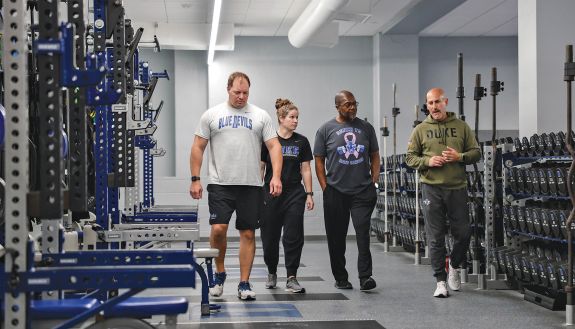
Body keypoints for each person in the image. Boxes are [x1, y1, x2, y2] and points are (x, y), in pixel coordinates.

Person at [190, 72, 283, 300]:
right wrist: (195, 179)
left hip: (251, 185)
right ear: (228, 89)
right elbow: (198, 147)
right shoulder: (212, 115)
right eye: (237, 92)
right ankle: (219, 273)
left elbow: (274, 146)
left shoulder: (260, 115)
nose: (241, 96)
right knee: (218, 229)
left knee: (248, 233)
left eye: (245, 93)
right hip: (221, 184)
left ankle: (244, 283)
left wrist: (276, 176)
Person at [405, 87, 480, 298]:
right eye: (430, 103)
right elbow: (410, 158)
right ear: (426, 105)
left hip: (457, 188)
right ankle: (439, 281)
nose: (434, 107)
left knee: (464, 234)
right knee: (435, 238)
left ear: (445, 102)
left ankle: (454, 267)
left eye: (437, 102)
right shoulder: (420, 129)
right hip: (432, 188)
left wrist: (460, 157)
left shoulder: (461, 127)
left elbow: (476, 153)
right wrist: (427, 161)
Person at [314, 90, 380, 291]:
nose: (352, 107)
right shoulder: (325, 129)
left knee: (363, 235)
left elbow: (375, 155)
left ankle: (365, 277)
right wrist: (325, 187)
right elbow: (319, 160)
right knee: (336, 237)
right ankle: (341, 277)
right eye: (347, 104)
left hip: (362, 191)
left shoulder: (366, 128)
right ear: (338, 106)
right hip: (335, 191)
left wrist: (373, 181)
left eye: (354, 103)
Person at [260, 98, 314, 293]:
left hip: (294, 193)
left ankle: (292, 277)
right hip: (271, 193)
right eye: (292, 117)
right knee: (270, 236)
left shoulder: (302, 141)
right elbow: (261, 167)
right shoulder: (268, 141)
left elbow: (306, 169)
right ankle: (272, 272)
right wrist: (259, 192)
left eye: (297, 117)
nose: (295, 121)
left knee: (293, 235)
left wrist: (309, 194)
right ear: (281, 118)